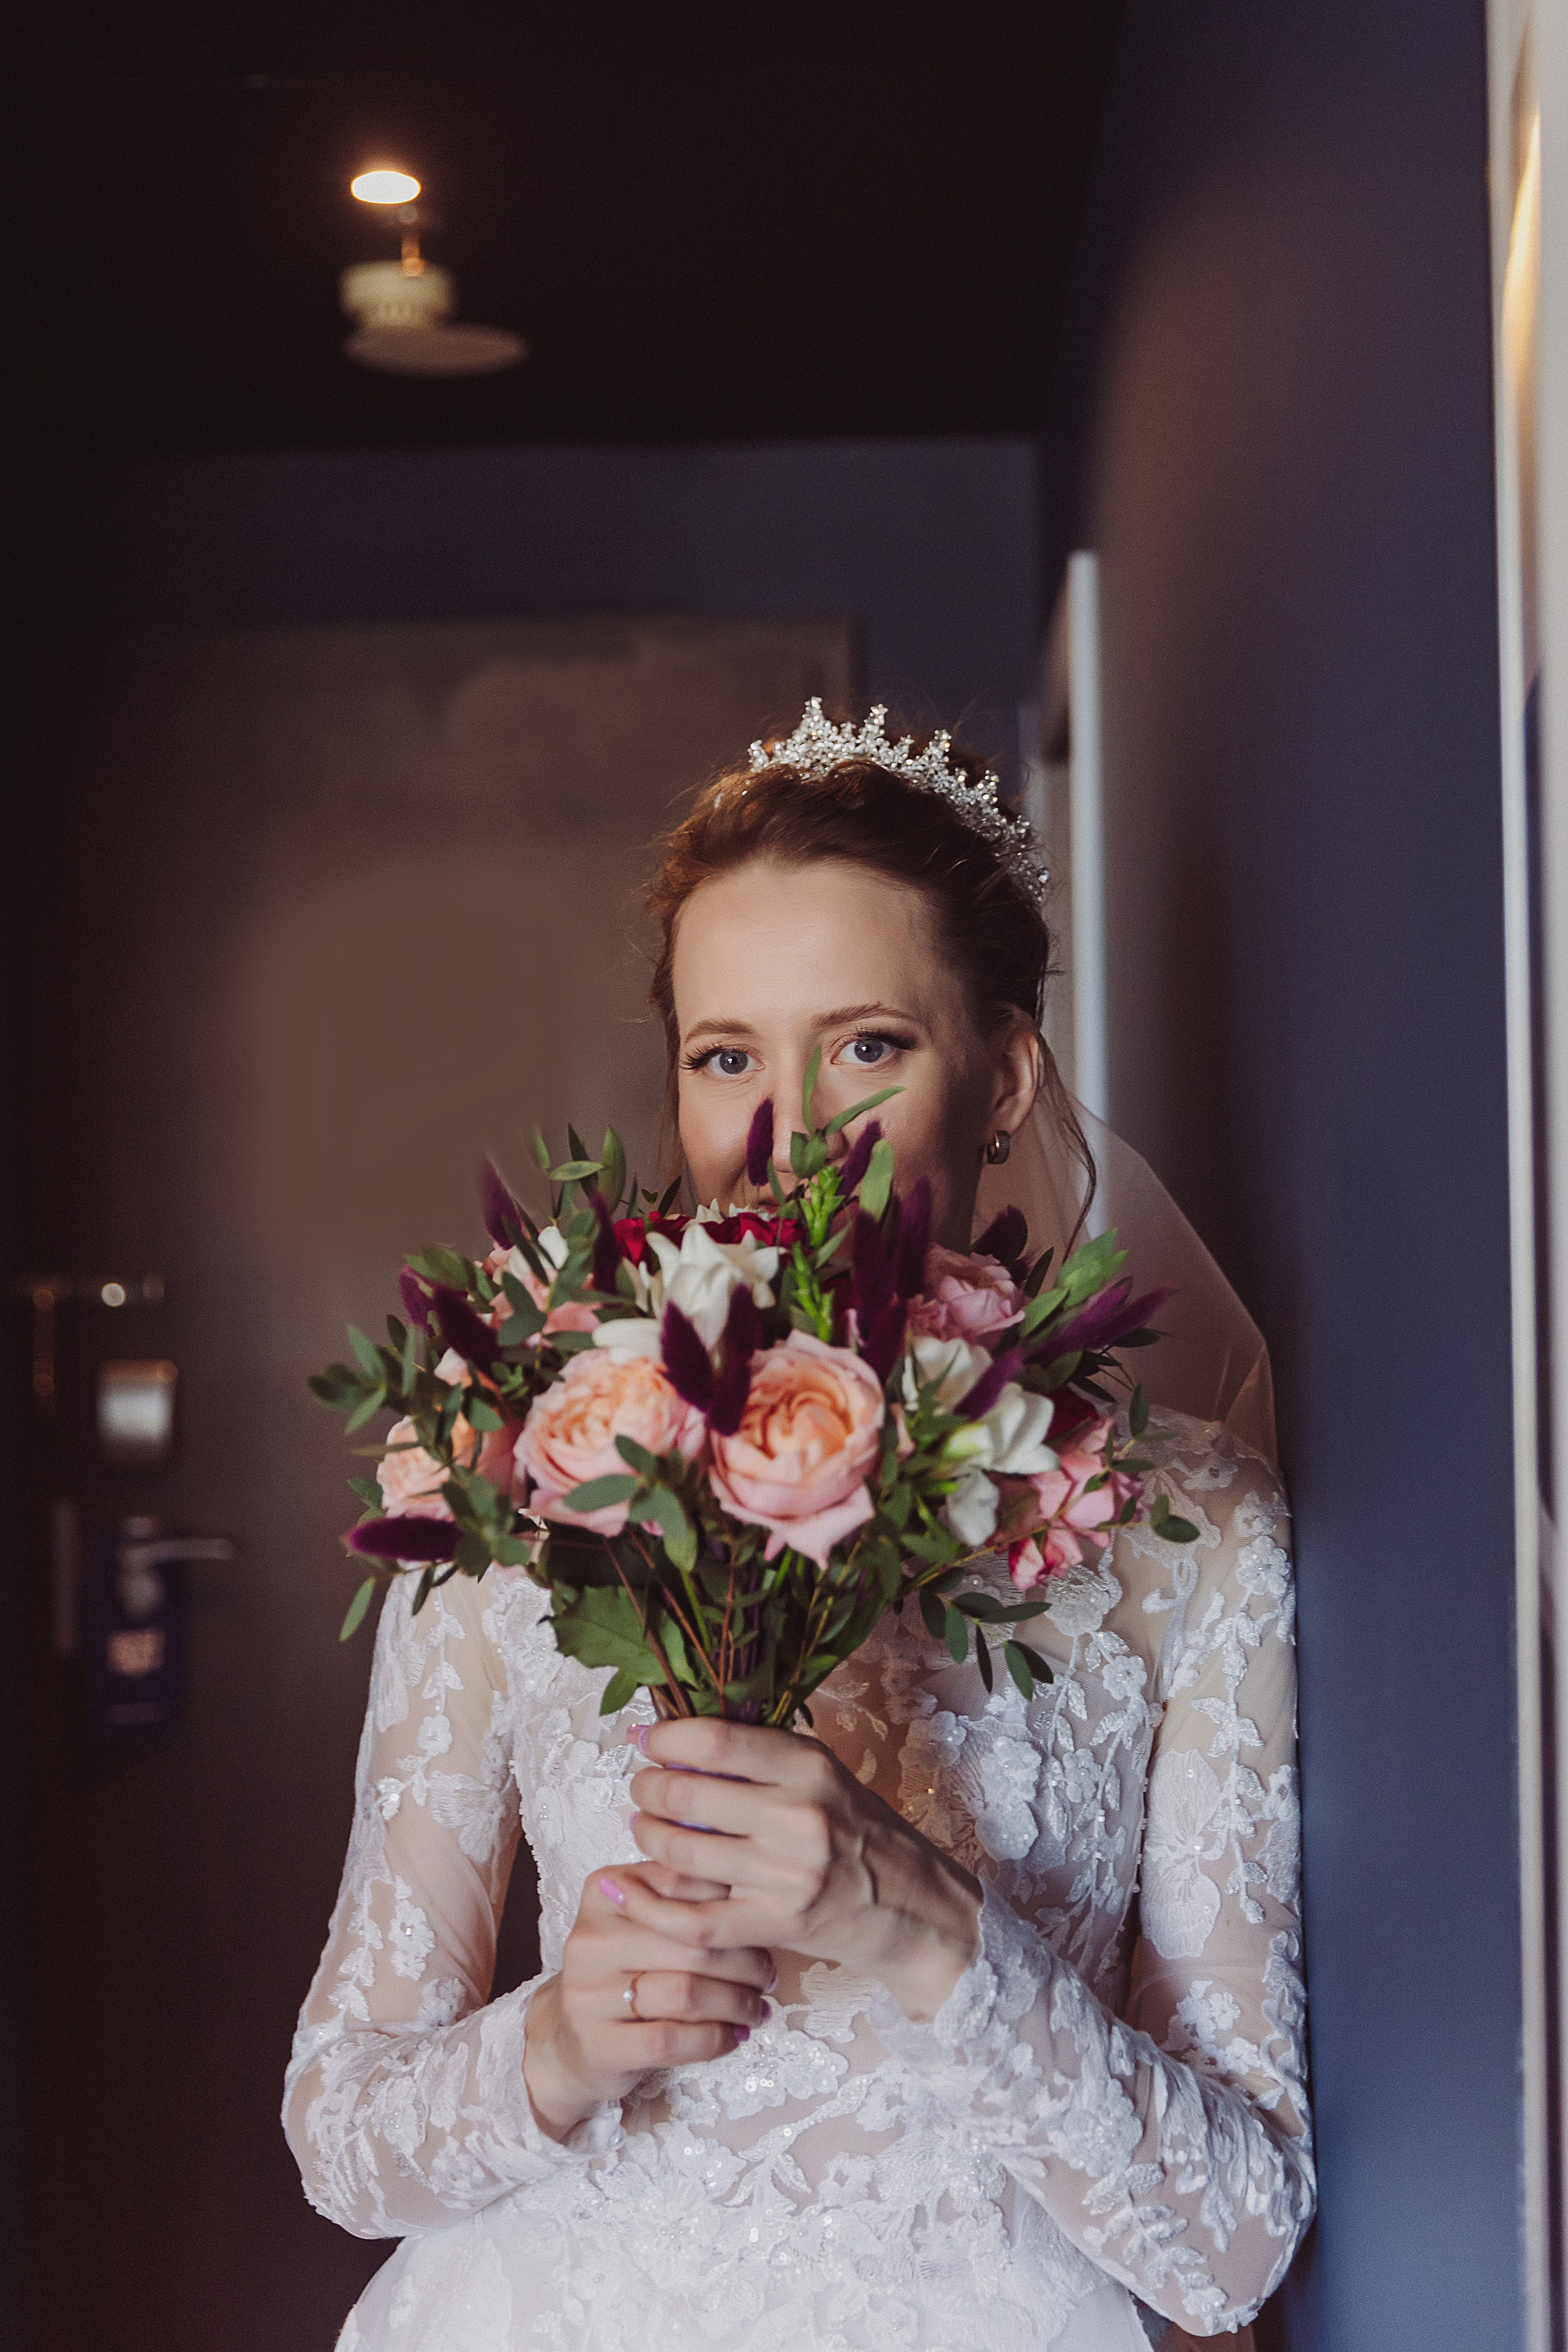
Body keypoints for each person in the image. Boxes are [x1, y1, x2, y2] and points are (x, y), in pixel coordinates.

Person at [285, 706, 1312, 2351]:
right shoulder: (544, 1472)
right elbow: (343, 2131)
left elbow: (1231, 2249)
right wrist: (554, 2048)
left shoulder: (1187, 1530)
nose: (785, 1133)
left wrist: (928, 1929)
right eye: (726, 1056)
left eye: (867, 1045)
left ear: (1001, 1082)